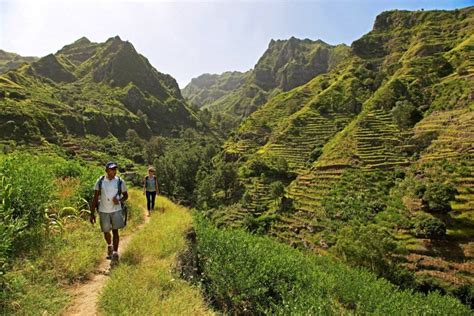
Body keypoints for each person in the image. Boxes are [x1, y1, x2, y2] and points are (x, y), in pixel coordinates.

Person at [90, 161, 128, 261]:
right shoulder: (100, 181)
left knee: (115, 231)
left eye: (115, 169)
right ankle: (109, 245)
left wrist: (119, 200)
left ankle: (115, 252)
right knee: (106, 232)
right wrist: (92, 213)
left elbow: (126, 196)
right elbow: (95, 198)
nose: (114, 171)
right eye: (111, 169)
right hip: (103, 210)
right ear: (106, 170)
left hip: (116, 210)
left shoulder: (120, 181)